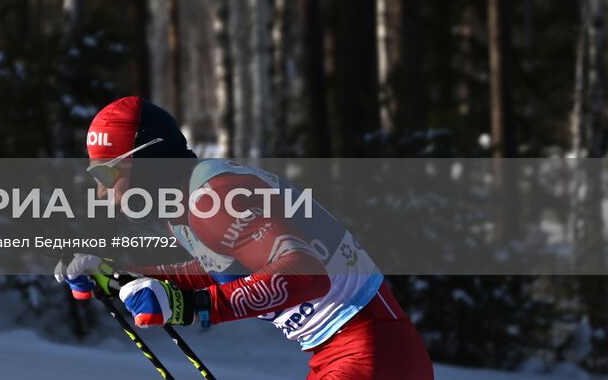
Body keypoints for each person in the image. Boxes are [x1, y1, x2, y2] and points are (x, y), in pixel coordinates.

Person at [55, 96, 433, 380]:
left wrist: (189, 304)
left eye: (107, 175)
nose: (103, 194)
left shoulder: (215, 198)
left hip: (368, 351)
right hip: (353, 352)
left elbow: (306, 273)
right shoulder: (191, 202)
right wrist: (125, 276)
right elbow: (225, 267)